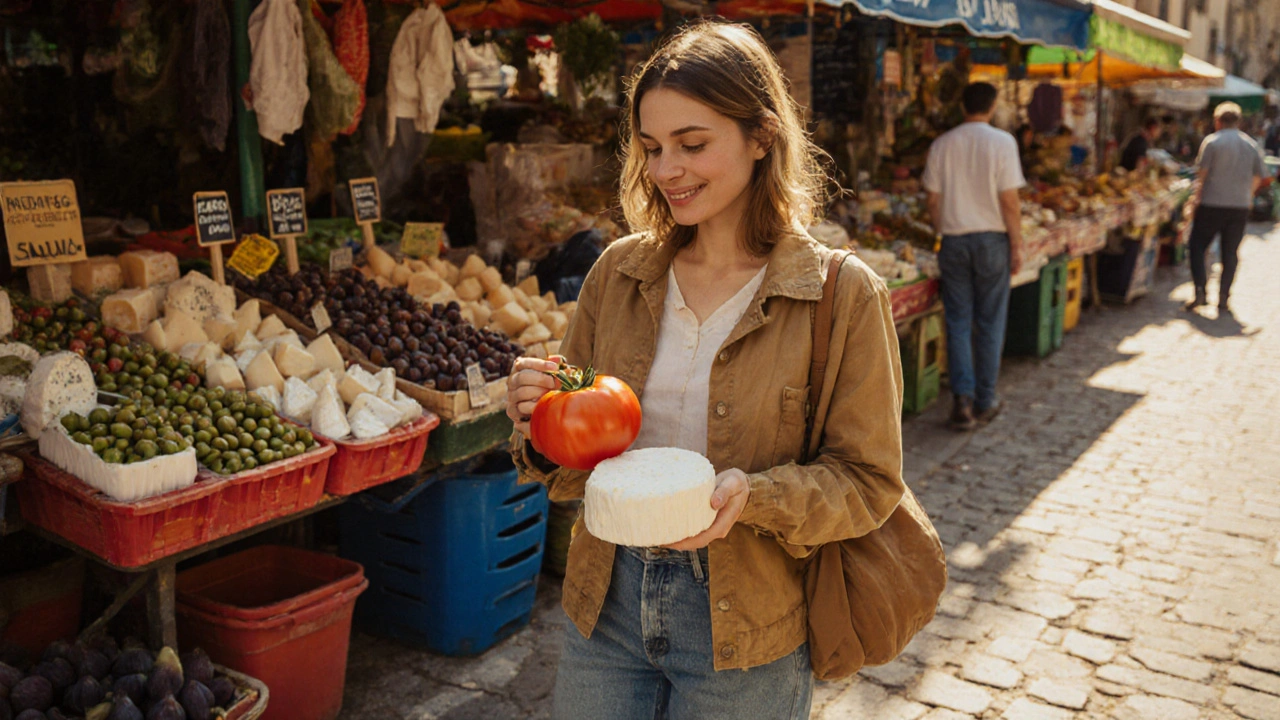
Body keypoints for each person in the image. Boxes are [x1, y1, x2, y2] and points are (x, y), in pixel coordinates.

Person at [504, 21, 906, 720]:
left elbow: (869, 484)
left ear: (761, 137)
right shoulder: (617, 274)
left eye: (693, 144)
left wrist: (753, 496)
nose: (666, 171)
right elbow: (574, 465)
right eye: (653, 148)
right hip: (607, 602)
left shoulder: (842, 294)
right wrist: (539, 422)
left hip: (746, 625)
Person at [922, 82, 1025, 432]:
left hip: (953, 241)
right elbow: (1009, 201)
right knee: (990, 321)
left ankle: (961, 402)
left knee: (958, 321)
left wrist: (943, 228)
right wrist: (1018, 244)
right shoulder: (1002, 143)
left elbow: (932, 201)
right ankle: (985, 399)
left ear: (962, 106)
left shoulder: (942, 144)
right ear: (993, 106)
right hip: (991, 241)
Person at [1186, 102, 1267, 312]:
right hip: (1239, 206)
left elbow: (1201, 176)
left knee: (1197, 247)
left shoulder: (1212, 142)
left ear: (1218, 121)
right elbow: (1260, 176)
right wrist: (1248, 194)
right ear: (1238, 121)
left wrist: (1195, 200)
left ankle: (1200, 291)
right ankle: (1223, 297)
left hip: (1212, 203)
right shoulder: (1251, 145)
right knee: (1230, 253)